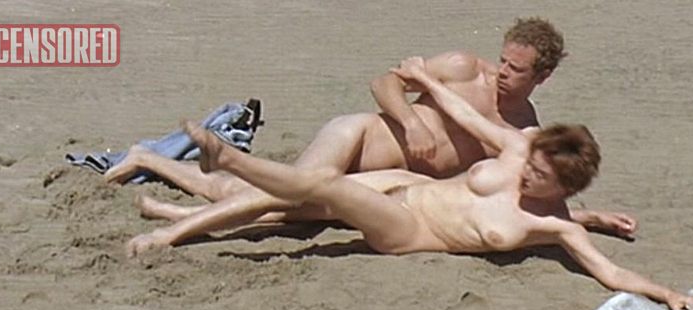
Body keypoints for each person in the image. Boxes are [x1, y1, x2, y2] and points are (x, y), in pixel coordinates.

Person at [124, 58, 693, 310]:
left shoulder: (554, 224)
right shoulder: (517, 150)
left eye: (541, 177)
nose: (528, 174)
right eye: (532, 164)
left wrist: (670, 294)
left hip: (408, 230)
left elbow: (612, 273)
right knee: (280, 207)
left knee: (319, 187)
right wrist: (426, 79)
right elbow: (468, 115)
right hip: (406, 183)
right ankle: (172, 206)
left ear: (562, 186)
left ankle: (208, 181)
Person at [105, 17, 636, 238]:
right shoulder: (461, 67)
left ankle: (156, 167)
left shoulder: (525, 128)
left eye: (515, 69)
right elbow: (383, 82)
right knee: (279, 197)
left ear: (543, 76)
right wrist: (410, 120)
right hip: (360, 138)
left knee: (282, 211)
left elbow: (520, 195)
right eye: (502, 60)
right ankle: (167, 194)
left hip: (390, 186)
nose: (501, 73)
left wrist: (590, 217)